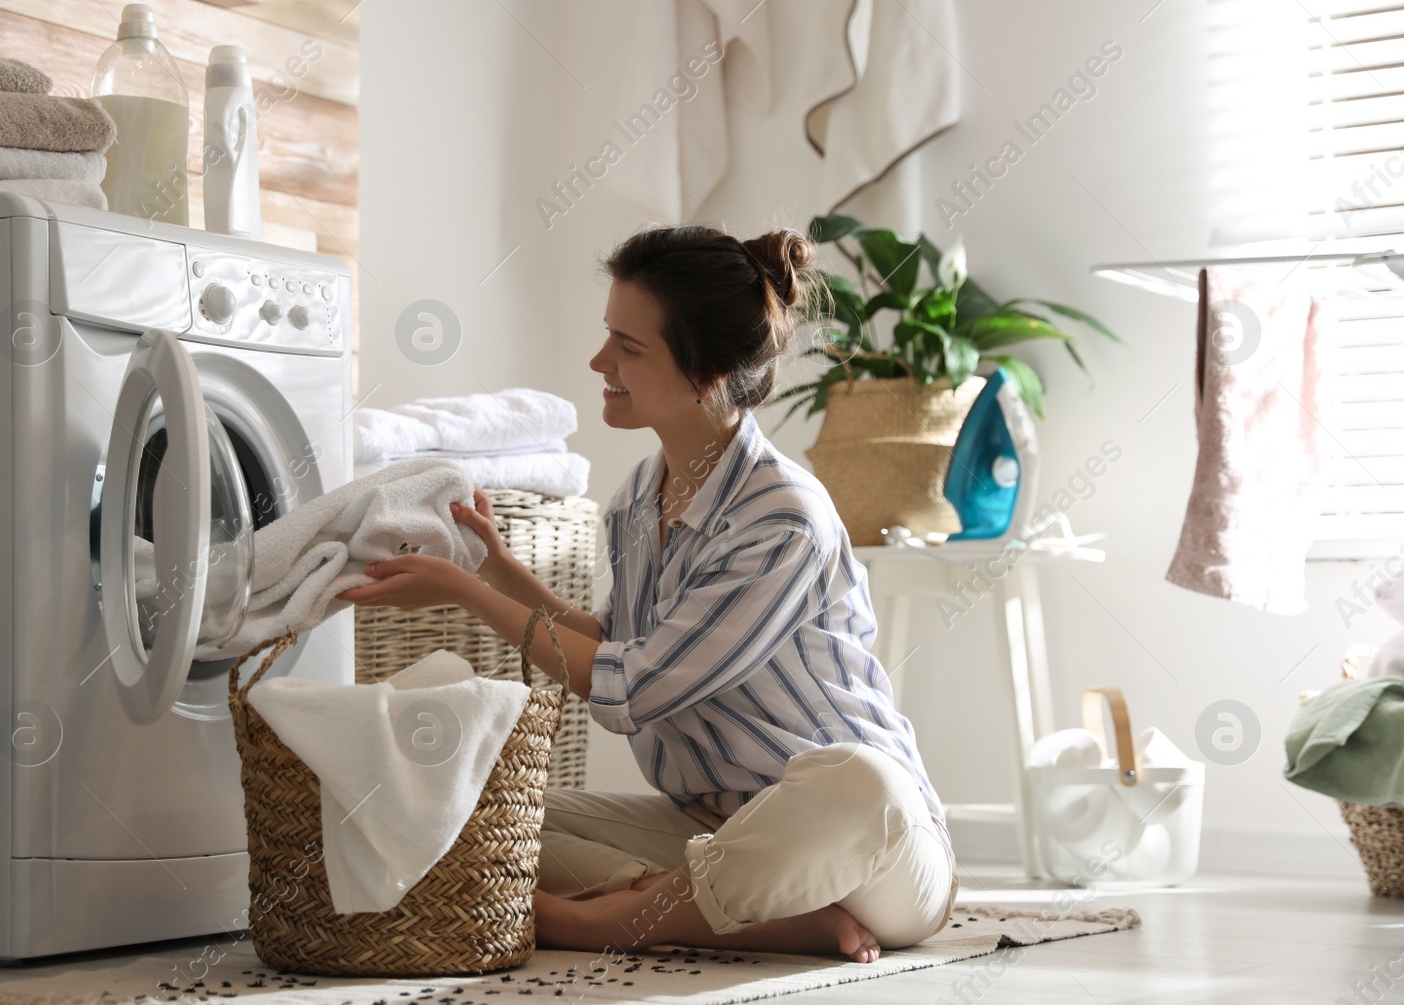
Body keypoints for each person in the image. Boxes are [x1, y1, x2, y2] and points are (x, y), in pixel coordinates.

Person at [336, 224, 957, 963]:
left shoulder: (782, 519)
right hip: (713, 830)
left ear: (705, 374)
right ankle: (730, 909)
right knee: (478, 806)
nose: (601, 362)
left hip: (874, 846)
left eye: (628, 348)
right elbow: (615, 646)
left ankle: (606, 920)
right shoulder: (638, 498)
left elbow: (629, 686)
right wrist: (495, 567)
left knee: (863, 784)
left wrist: (467, 594)